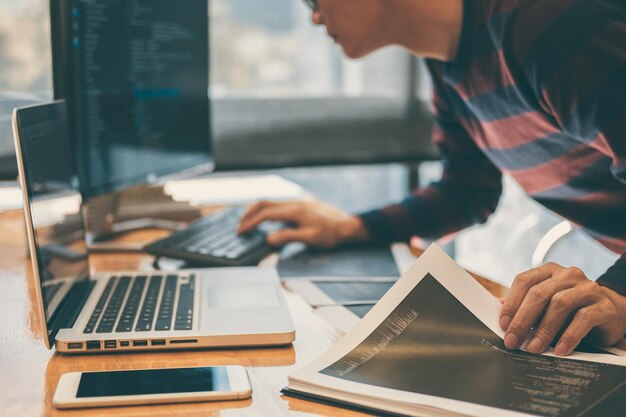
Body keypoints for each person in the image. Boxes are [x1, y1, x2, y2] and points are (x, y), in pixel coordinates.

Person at [238, 0, 626, 356]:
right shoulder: (448, 62)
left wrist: (618, 295)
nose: (314, 17)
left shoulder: (549, 23)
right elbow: (467, 191)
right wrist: (350, 227)